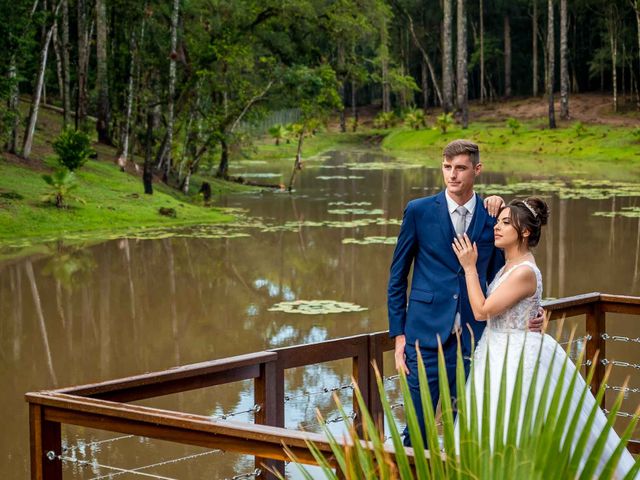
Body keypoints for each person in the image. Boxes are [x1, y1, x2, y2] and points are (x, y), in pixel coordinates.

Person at [452, 197, 637, 478]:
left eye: (505, 223)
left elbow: (481, 311)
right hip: (496, 350)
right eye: (497, 222)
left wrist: (469, 267)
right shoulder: (509, 266)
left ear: (525, 232)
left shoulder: (524, 271)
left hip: (516, 358)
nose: (496, 228)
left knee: (515, 425)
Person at [387, 139, 543, 447]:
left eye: (460, 168)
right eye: (447, 167)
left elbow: (505, 274)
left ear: (477, 169)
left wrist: (532, 312)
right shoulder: (418, 212)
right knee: (415, 434)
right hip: (423, 340)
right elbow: (397, 276)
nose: (452, 175)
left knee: (468, 434)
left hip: (477, 342)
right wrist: (399, 335)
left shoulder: (494, 218)